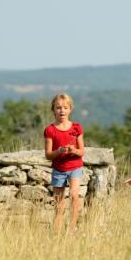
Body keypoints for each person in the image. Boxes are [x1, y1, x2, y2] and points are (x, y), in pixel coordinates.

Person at [44, 93, 85, 233]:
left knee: (74, 195)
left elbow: (82, 152)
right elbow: (48, 155)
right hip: (59, 169)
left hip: (75, 167)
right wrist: (59, 151)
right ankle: (57, 231)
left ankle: (72, 229)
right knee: (59, 204)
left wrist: (73, 150)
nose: (62, 110)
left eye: (65, 107)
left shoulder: (76, 128)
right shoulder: (50, 130)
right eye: (58, 107)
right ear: (53, 110)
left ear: (70, 109)